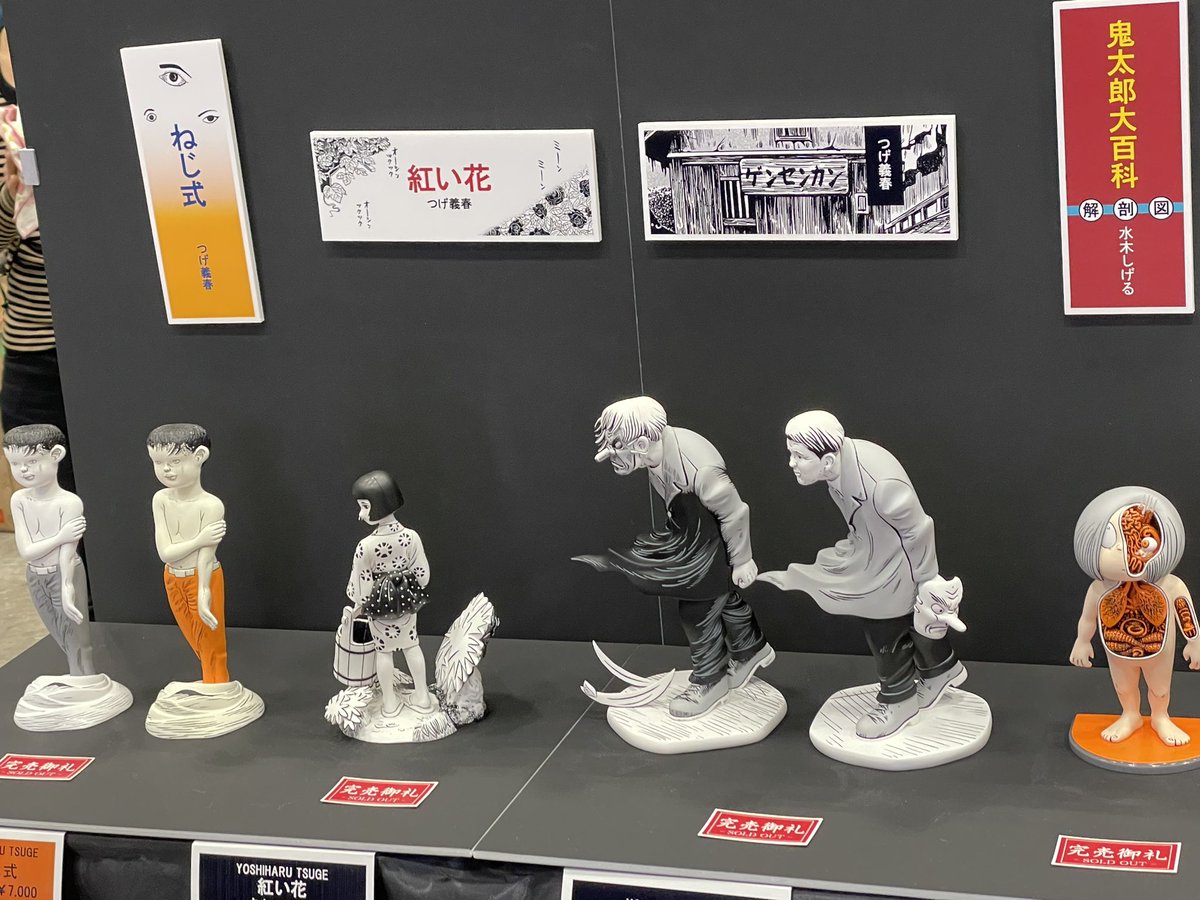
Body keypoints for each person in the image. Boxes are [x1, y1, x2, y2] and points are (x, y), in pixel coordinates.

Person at [758, 410, 965, 739]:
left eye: (799, 456)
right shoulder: (839, 468)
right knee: (905, 619)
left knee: (884, 629)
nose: (792, 463)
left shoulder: (881, 486)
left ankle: (899, 700)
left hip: (897, 563)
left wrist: (927, 579)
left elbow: (919, 529)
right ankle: (941, 669)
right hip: (872, 551)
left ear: (827, 460)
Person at [574, 396, 773, 718]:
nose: (606, 454)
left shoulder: (701, 470)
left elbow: (735, 513)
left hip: (709, 539)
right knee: (719, 595)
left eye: (615, 445)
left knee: (696, 608)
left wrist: (741, 560)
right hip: (689, 530)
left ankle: (710, 679)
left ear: (641, 443)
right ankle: (751, 648)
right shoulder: (655, 454)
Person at [0, 18, 71, 492]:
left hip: (121, 333)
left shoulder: (84, 55)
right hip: (37, 350)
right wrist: (13, 194)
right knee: (45, 507)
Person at [1070, 487, 1200, 745]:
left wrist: (1194, 642)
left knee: (1160, 688)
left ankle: (1160, 716)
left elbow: (1184, 612)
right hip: (1117, 649)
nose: (1121, 549)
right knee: (1123, 686)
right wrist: (1082, 641)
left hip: (1159, 649)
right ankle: (1130, 714)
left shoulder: (1171, 585)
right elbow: (1088, 618)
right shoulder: (1099, 589)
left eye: (1143, 541)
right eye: (1109, 539)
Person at [2, 423, 91, 674]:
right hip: (35, 575)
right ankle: (78, 676)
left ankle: (84, 676)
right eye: (15, 463)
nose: (24, 470)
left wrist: (67, 585)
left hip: (64, 571)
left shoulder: (69, 503)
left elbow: (67, 554)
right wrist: (60, 537)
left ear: (56, 455)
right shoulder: (19, 500)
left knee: (76, 634)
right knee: (57, 630)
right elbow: (26, 552)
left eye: (32, 461)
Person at [346, 470, 434, 717]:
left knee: (383, 652)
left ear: (379, 504)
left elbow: (360, 585)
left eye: (365, 506)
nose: (361, 514)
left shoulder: (365, 546)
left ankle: (390, 703)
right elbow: (423, 575)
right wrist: (403, 586)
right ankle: (423, 697)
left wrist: (360, 603)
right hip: (407, 601)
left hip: (378, 605)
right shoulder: (411, 537)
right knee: (412, 645)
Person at [147, 423, 229, 683]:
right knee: (194, 637)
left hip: (202, 576)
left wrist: (204, 591)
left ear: (199, 456)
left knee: (211, 640)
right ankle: (211, 684)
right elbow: (165, 553)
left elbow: (206, 556)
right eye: (158, 462)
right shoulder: (160, 499)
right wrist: (199, 539)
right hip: (172, 577)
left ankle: (217, 685)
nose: (166, 469)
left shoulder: (211, 506)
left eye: (175, 461)